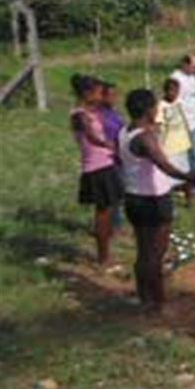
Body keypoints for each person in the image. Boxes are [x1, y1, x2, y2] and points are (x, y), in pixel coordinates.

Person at [118, 89, 195, 313]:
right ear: (148, 110)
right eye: (155, 107)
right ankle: (158, 302)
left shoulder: (126, 132)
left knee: (143, 252)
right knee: (156, 253)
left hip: (133, 197)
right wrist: (188, 177)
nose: (157, 111)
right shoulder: (145, 138)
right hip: (153, 200)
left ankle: (145, 297)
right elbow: (164, 165)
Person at [70, 74, 124, 268]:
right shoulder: (79, 115)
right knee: (102, 213)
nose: (102, 96)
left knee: (107, 211)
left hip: (105, 165)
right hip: (97, 168)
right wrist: (111, 145)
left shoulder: (91, 112)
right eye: (98, 92)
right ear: (87, 94)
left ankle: (105, 253)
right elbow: (91, 137)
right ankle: (103, 258)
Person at [171, 54, 195, 194]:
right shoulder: (176, 79)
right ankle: (193, 183)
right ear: (185, 65)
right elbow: (175, 102)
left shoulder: (192, 77)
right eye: (194, 67)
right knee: (191, 155)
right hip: (186, 122)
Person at [157, 78, 194, 205]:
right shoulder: (161, 106)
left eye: (176, 91)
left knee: (185, 173)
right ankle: (168, 200)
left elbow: (185, 122)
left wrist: (189, 140)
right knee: (169, 175)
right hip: (168, 147)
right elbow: (159, 125)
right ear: (166, 91)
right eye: (171, 91)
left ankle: (189, 200)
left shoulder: (179, 103)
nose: (174, 94)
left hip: (182, 145)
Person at [97, 81, 127, 230]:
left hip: (120, 157)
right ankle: (111, 225)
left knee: (119, 191)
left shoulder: (115, 113)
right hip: (109, 159)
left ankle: (117, 221)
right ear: (101, 97)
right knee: (111, 194)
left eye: (116, 94)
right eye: (111, 95)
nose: (115, 98)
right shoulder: (100, 116)